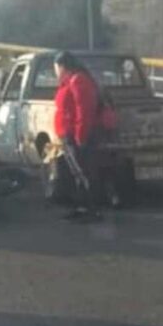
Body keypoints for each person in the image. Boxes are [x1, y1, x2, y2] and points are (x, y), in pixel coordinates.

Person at [53, 51, 101, 223]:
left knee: (83, 172)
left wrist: (80, 135)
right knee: (76, 173)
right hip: (67, 134)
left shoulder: (78, 80)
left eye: (56, 68)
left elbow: (84, 110)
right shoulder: (69, 82)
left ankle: (91, 209)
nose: (56, 72)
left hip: (76, 134)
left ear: (62, 66)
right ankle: (81, 207)